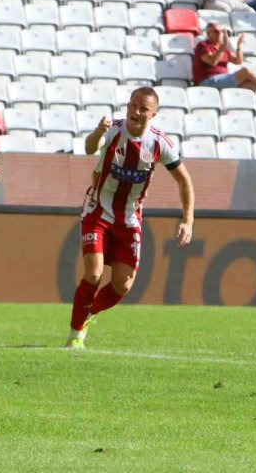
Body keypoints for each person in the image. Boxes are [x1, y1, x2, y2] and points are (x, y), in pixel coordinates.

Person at [65, 88, 194, 350]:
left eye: (143, 108)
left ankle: (88, 314)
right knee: (94, 273)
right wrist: (98, 132)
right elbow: (89, 148)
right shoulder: (113, 129)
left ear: (153, 114)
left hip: (129, 219)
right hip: (98, 211)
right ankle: (75, 336)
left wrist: (188, 220)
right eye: (133, 105)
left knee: (122, 285)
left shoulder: (159, 143)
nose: (136, 111)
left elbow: (184, 181)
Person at [194, 22, 256, 90]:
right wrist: (223, 46)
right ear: (208, 33)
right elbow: (212, 62)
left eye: (221, 32)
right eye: (216, 31)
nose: (219, 34)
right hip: (208, 81)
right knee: (245, 71)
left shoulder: (221, 48)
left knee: (252, 85)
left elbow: (238, 61)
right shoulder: (203, 45)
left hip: (222, 80)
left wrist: (239, 46)